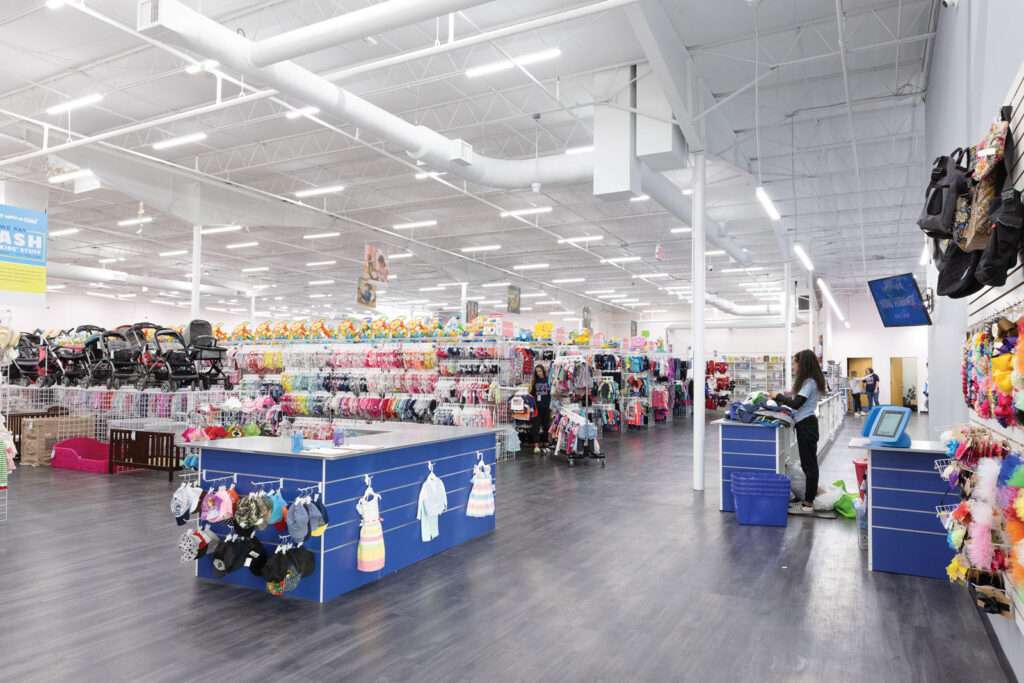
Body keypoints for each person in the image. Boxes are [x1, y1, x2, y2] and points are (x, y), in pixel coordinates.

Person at [773, 349, 826, 511]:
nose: (794, 367)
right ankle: (807, 497)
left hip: (807, 426)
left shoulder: (810, 382)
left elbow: (796, 403)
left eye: (795, 363)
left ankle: (808, 502)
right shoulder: (809, 381)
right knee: (807, 464)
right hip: (805, 424)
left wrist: (778, 396)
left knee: (809, 465)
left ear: (802, 364)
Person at [530, 365, 552, 454]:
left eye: (540, 371)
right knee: (536, 426)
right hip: (537, 407)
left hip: (546, 407)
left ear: (543, 371)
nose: (538, 373)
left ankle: (546, 444)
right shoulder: (535, 382)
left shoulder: (548, 381)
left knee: (546, 426)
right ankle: (536, 444)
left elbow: (551, 393)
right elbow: (532, 394)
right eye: (537, 371)